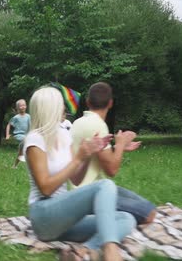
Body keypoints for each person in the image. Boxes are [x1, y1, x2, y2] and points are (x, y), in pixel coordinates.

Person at [24, 86, 136, 261]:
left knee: (126, 219)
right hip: (44, 216)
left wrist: (88, 154)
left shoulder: (63, 134)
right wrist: (78, 158)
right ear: (50, 108)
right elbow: (45, 188)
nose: (64, 108)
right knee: (105, 185)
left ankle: (82, 251)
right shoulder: (34, 140)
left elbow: (75, 178)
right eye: (60, 104)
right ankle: (110, 251)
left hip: (64, 218)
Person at [70, 82, 157, 225]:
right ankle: (101, 216)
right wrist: (121, 144)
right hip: (92, 195)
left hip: (82, 190)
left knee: (146, 205)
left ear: (87, 102)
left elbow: (97, 155)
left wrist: (118, 147)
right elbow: (111, 170)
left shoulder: (78, 122)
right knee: (149, 213)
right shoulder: (98, 125)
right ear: (110, 103)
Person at [6, 99, 30, 168]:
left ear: (26, 106)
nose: (23, 107)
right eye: (21, 105)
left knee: (20, 153)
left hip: (26, 136)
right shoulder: (16, 117)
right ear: (17, 108)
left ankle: (14, 165)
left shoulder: (28, 116)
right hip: (18, 135)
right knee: (26, 142)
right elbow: (9, 125)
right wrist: (7, 135)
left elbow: (31, 125)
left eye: (24, 105)